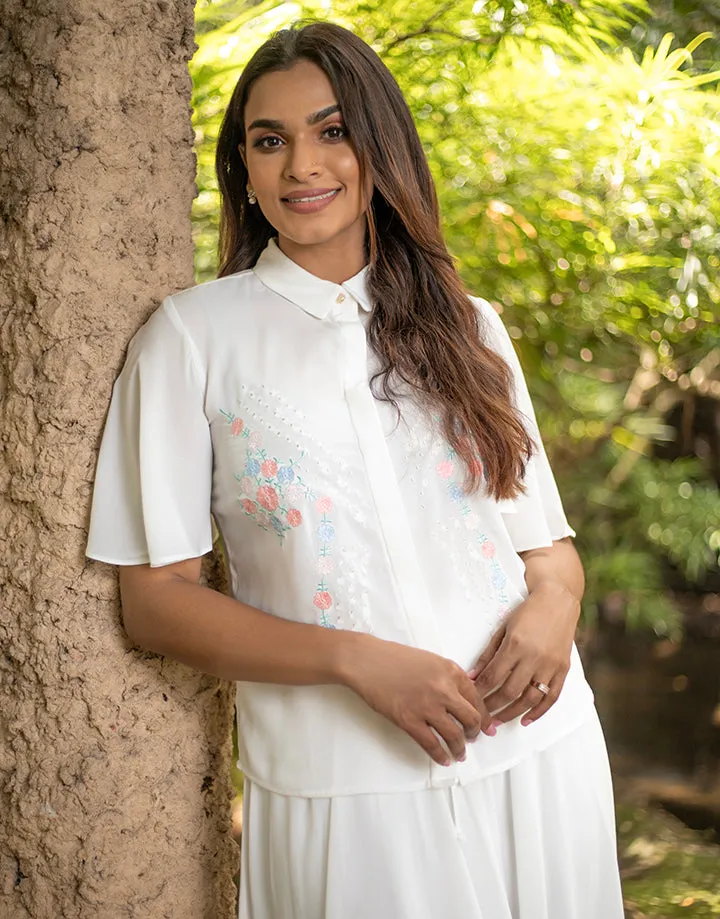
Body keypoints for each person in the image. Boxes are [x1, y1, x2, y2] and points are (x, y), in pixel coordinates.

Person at [86, 20, 624, 919]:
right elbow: (156, 599)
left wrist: (554, 609)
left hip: (539, 759)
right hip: (342, 789)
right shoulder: (190, 339)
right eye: (271, 140)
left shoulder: (470, 325)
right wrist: (354, 661)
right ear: (245, 172)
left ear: (378, 148)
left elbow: (547, 550)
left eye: (332, 131)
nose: (303, 165)